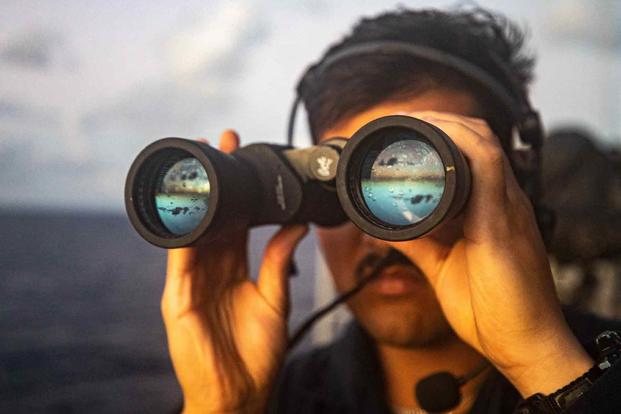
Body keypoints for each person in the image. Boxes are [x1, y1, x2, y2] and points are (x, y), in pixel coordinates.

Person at [160, 7, 621, 414]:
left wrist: (545, 364)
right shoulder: (279, 397)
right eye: (341, 190)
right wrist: (222, 406)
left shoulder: (596, 370)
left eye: (423, 181)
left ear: (518, 187)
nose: (382, 235)